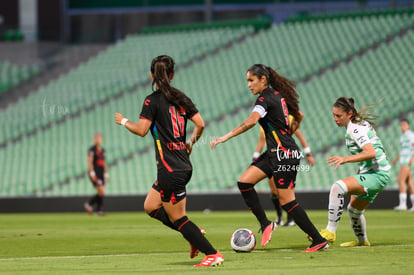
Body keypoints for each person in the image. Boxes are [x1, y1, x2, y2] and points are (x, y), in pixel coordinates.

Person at [115, 55, 223, 267]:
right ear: (172, 75)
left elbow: (142, 130)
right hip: (180, 165)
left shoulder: (152, 100)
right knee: (150, 206)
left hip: (170, 169)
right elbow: (200, 124)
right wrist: (191, 142)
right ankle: (193, 235)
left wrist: (124, 121)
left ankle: (212, 253)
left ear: (151, 75)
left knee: (178, 218)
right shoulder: (181, 98)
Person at [210, 64, 329, 252]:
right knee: (244, 182)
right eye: (247, 81)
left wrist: (225, 137)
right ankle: (266, 223)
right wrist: (288, 132)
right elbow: (299, 115)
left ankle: (318, 240)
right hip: (274, 153)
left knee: (287, 201)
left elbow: (251, 121)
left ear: (263, 80)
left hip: (284, 155)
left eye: (251, 80)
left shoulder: (264, 98)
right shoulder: (277, 95)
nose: (249, 85)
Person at [320, 97, 391, 247]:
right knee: (353, 210)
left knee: (337, 187)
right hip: (374, 173)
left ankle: (330, 231)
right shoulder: (359, 125)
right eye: (334, 115)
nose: (335, 119)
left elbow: (370, 152)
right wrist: (361, 171)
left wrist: (345, 159)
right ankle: (362, 241)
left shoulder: (355, 129)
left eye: (339, 116)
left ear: (350, 113)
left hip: (377, 174)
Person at [253, 126, 315, 226]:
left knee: (286, 191)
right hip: (272, 157)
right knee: (274, 191)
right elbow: (261, 140)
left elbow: (300, 136)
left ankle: (291, 218)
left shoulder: (286, 118)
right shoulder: (265, 122)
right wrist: (255, 157)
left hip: (286, 158)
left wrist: (308, 154)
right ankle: (279, 216)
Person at [392, 118, 414, 211]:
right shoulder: (403, 136)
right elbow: (402, 150)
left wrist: (412, 158)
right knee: (409, 183)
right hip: (403, 160)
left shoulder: (410, 135)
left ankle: (403, 204)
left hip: (407, 161)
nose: (402, 127)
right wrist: (396, 159)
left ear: (408, 126)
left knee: (400, 181)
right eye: (401, 125)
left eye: (404, 125)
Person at [84, 133, 108, 216]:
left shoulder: (102, 150)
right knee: (101, 191)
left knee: (101, 192)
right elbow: (90, 161)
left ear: (102, 139)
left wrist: (106, 175)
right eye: (96, 138)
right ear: (94, 139)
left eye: (99, 138)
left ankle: (90, 204)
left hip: (101, 173)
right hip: (95, 173)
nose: (98, 139)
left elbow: (104, 163)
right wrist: (92, 172)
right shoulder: (91, 150)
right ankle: (98, 209)